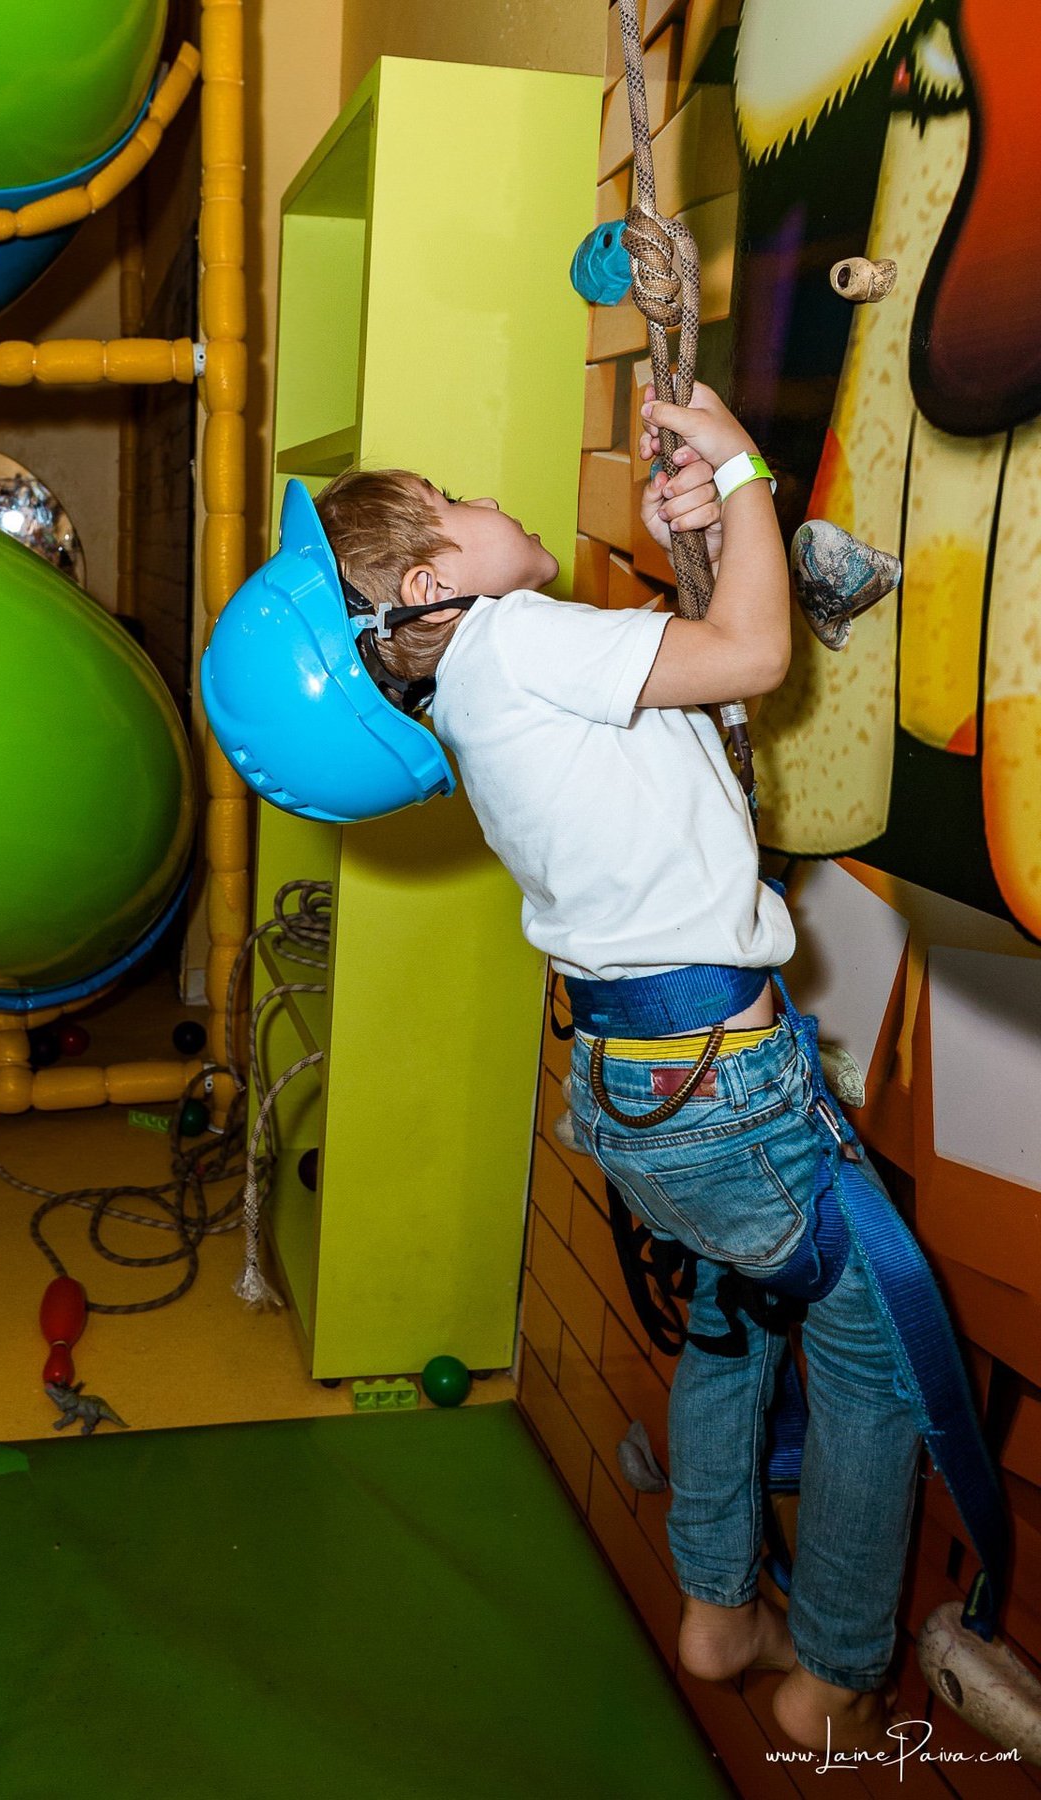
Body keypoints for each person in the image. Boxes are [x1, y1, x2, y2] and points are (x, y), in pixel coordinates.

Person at [312, 383, 922, 1755]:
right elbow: (752, 654)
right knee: (876, 1365)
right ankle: (832, 1671)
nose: (491, 502)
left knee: (734, 1312)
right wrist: (741, 464)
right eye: (460, 502)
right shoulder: (520, 645)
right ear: (432, 575)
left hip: (642, 1085)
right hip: (721, 1078)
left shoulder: (481, 690)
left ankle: (717, 1606)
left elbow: (676, 673)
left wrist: (699, 530)